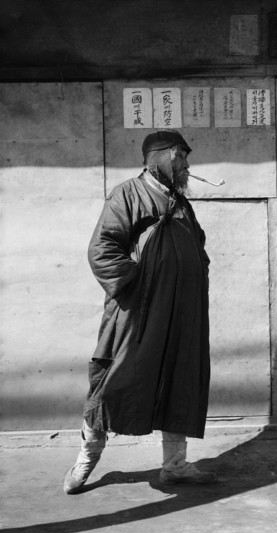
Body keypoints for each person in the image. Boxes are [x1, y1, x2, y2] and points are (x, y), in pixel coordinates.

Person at [64, 130, 216, 494]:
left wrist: (197, 272)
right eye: (181, 156)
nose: (186, 164)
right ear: (160, 157)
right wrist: (139, 285)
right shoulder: (128, 193)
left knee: (181, 381)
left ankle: (175, 465)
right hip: (139, 313)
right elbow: (103, 250)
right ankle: (86, 459)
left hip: (183, 313)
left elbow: (196, 245)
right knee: (113, 382)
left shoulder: (181, 202)